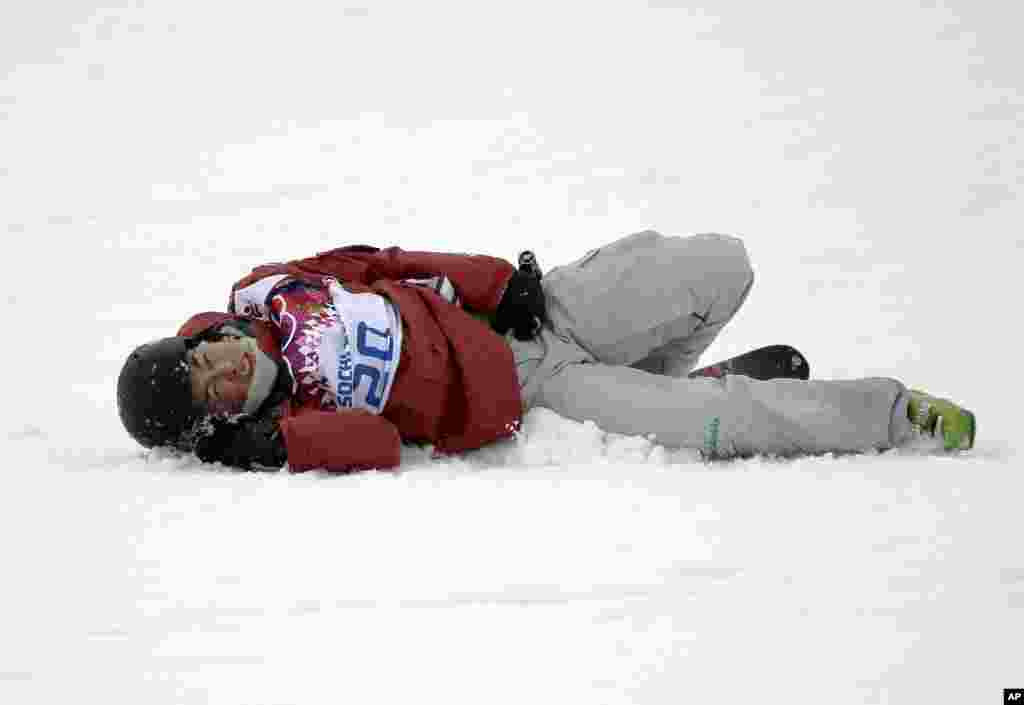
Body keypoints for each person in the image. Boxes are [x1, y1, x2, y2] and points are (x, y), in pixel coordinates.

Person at [116, 231, 976, 472]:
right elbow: (376, 444)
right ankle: (891, 413)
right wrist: (267, 446)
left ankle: (656, 381)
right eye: (208, 394)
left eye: (203, 359)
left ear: (203, 337)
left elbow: (384, 263)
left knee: (719, 266)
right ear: (215, 422)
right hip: (533, 391)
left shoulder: (267, 289)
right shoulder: (288, 417)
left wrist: (496, 279)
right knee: (722, 422)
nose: (222, 371)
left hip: (535, 311)